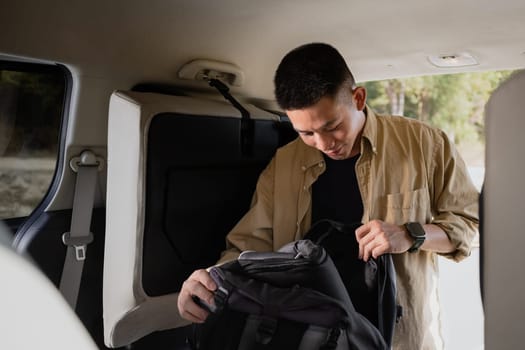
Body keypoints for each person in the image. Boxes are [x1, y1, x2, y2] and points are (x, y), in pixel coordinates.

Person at [177, 42, 479, 350]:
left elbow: (467, 225)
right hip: (310, 338)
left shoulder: (425, 144)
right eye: (306, 133)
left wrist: (410, 234)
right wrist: (207, 281)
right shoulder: (283, 165)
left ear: (358, 98)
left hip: (399, 340)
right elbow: (248, 250)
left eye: (332, 126)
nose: (323, 143)